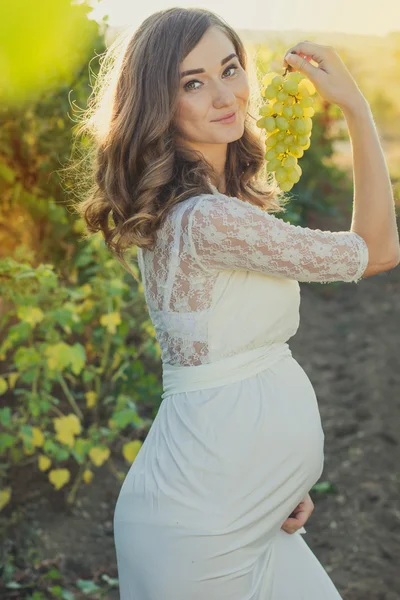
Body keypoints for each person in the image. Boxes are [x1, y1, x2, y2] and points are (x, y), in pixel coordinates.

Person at [75, 7, 400, 599]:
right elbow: (376, 250)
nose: (224, 95)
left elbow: (225, 369)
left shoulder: (202, 208)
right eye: (192, 83)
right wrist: (357, 108)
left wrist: (276, 478)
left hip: (247, 510)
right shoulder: (206, 219)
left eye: (229, 69)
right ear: (158, 105)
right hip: (200, 529)